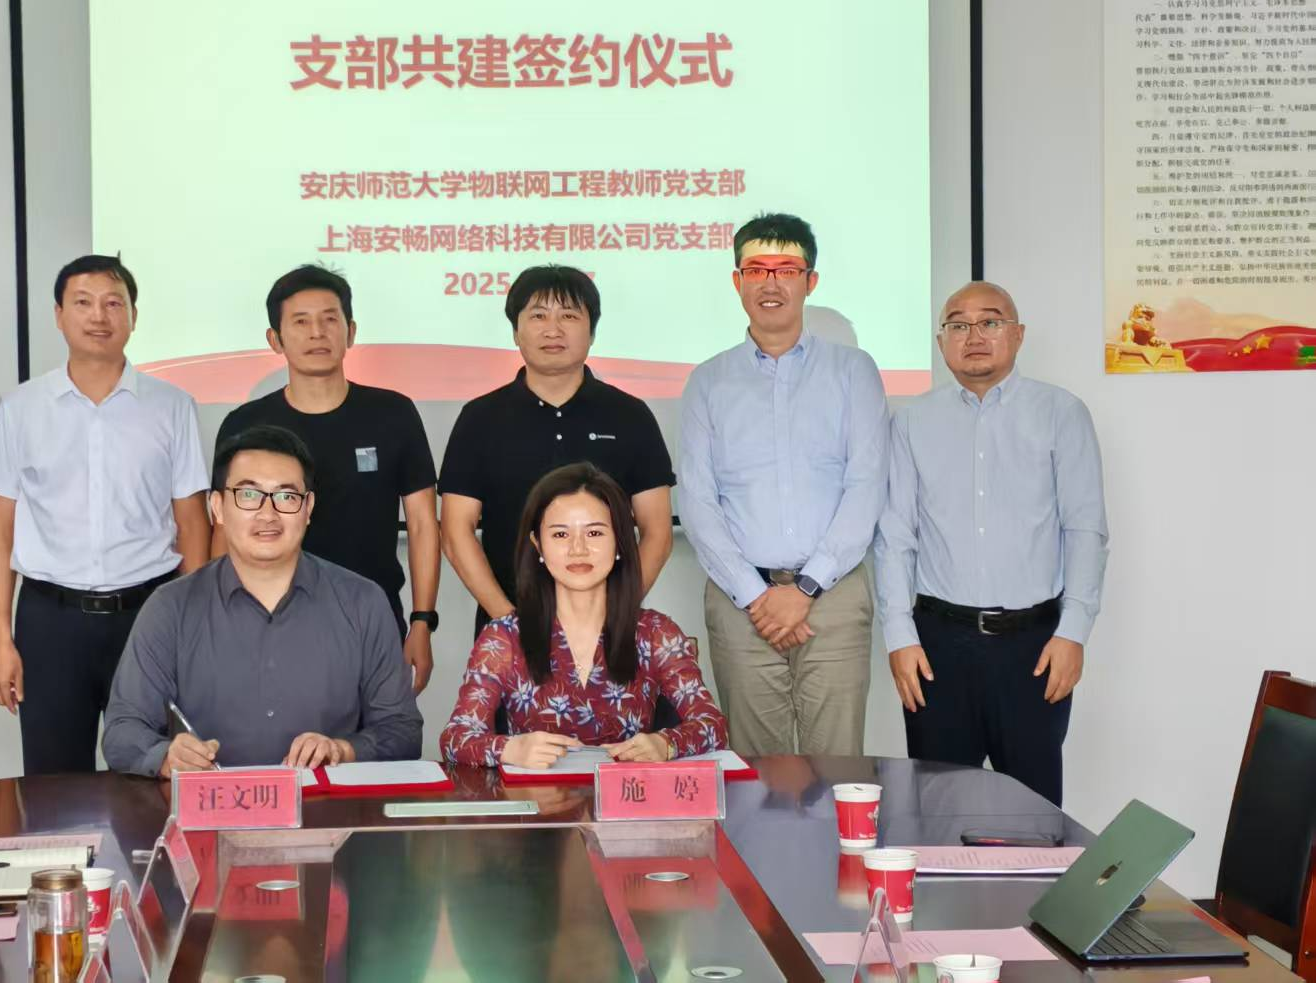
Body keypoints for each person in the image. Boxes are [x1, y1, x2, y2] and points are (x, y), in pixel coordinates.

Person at [874, 281, 1108, 806]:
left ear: (1018, 335)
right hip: (937, 646)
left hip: (1034, 647)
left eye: (990, 322)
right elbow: (895, 537)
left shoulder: (1061, 412)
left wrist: (1074, 632)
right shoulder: (911, 421)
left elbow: (1085, 529)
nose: (974, 335)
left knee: (1033, 812)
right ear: (942, 342)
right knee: (936, 808)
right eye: (958, 324)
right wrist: (899, 637)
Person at [0, 254, 210, 775]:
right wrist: (0, 638)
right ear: (59, 315)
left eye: (113, 303)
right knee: (54, 782)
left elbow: (193, 523)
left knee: (153, 771)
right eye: (83, 302)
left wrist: (192, 629)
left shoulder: (172, 405)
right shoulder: (20, 407)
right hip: (49, 620)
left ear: (133, 316)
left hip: (147, 616)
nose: (99, 316)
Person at [679, 212, 888, 758]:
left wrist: (806, 588)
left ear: (810, 281)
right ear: (737, 281)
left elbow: (866, 485)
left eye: (787, 269)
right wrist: (756, 597)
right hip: (740, 601)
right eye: (756, 269)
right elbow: (696, 501)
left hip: (834, 596)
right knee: (756, 771)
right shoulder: (707, 381)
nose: (770, 282)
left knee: (837, 765)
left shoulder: (853, 371)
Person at [102, 425, 421, 773]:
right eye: (249, 495)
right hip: (212, 804)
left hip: (323, 805)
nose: (268, 514)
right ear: (218, 508)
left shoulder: (362, 603)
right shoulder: (170, 607)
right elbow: (123, 731)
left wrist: (343, 750)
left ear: (308, 508)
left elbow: (402, 731)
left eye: (286, 497)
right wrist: (166, 756)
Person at [216, 265, 441, 691]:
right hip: (265, 618)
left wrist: (422, 621)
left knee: (379, 730)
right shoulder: (246, 424)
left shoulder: (392, 413)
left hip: (373, 617)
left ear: (350, 332)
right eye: (301, 322)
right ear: (275, 339)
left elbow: (422, 523)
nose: (317, 333)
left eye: (329, 319)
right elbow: (224, 531)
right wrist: (219, 621)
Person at [440, 462, 725, 768]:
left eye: (594, 533)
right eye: (560, 534)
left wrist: (665, 744)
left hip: (628, 796)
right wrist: (509, 750)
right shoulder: (504, 638)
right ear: (538, 545)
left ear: (619, 541)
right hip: (536, 798)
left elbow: (712, 725)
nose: (578, 549)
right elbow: (456, 738)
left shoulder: (656, 633)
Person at [440, 265, 675, 636]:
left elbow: (657, 531)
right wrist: (508, 623)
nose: (553, 330)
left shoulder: (630, 415)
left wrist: (612, 614)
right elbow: (456, 532)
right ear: (515, 331)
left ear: (592, 332)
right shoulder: (480, 418)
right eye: (538, 316)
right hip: (509, 628)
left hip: (610, 630)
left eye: (569, 316)